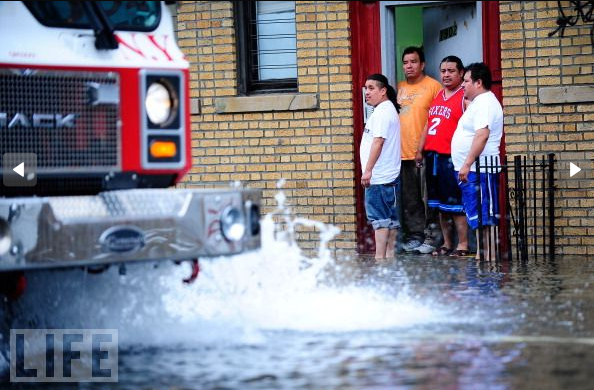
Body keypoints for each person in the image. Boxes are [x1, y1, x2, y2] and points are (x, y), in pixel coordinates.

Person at [416, 55, 469, 257]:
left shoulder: (465, 96)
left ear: (461, 73)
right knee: (440, 206)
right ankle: (447, 243)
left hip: (451, 158)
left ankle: (463, 244)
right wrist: (420, 150)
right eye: (443, 71)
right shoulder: (438, 94)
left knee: (456, 205)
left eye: (451, 71)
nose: (446, 75)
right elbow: (429, 124)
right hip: (433, 156)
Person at [451, 62, 504, 261]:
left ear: (478, 83)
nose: (462, 85)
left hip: (481, 169)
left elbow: (482, 135)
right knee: (477, 215)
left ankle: (489, 257)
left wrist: (466, 164)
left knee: (486, 215)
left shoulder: (485, 103)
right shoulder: (478, 103)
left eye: (466, 81)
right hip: (472, 169)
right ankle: (483, 256)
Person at [397, 46, 442, 254]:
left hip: (423, 151)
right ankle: (415, 235)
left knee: (427, 198)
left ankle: (432, 236)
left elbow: (437, 119)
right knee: (410, 199)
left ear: (422, 64)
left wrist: (422, 149)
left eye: (413, 61)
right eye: (406, 62)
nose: (409, 66)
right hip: (401, 152)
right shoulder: (400, 87)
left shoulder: (433, 86)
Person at [360, 74, 401, 259]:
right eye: (366, 88)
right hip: (387, 175)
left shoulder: (384, 112)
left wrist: (368, 170)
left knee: (380, 220)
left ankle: (379, 259)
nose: (367, 92)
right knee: (390, 220)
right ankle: (389, 258)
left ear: (383, 91)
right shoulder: (384, 110)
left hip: (380, 176)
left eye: (371, 88)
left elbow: (378, 142)